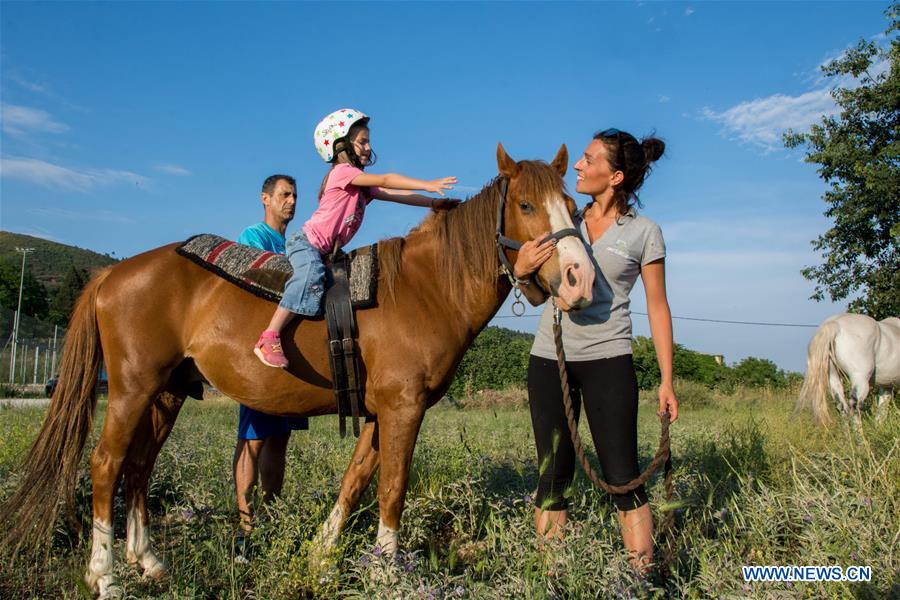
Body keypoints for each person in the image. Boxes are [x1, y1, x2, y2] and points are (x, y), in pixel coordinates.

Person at [513, 128, 679, 572]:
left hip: (609, 359)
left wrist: (666, 380)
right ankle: (555, 579)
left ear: (616, 176)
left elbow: (658, 308)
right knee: (552, 479)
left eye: (589, 160)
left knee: (624, 478)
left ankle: (640, 579)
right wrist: (522, 270)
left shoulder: (644, 233)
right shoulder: (563, 220)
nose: (579, 167)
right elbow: (534, 296)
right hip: (551, 359)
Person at [253, 108, 458, 368]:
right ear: (341, 146)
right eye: (362, 141)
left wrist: (433, 203)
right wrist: (427, 183)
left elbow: (395, 195)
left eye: (368, 141)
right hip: (306, 243)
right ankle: (269, 335)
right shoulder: (342, 172)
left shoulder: (361, 186)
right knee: (309, 275)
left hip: (326, 251)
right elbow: (387, 178)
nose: (368, 147)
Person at [234, 174, 309, 554]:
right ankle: (245, 529)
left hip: (290, 355)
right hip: (262, 352)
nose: (292, 201)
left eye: (295, 195)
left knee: (280, 439)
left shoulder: (295, 241)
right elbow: (256, 283)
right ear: (265, 198)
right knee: (253, 436)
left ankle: (272, 516)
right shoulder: (255, 236)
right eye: (284, 195)